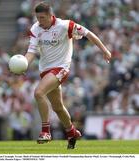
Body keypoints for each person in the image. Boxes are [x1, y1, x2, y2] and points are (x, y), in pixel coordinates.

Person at [23, 1, 111, 149]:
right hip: (45, 70)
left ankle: (45, 131)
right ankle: (72, 132)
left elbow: (88, 33)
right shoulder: (36, 28)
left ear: (51, 16)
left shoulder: (65, 25)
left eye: (43, 18)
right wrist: (24, 63)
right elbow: (31, 51)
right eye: (38, 18)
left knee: (38, 93)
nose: (40, 21)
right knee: (58, 107)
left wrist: (104, 50)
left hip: (61, 68)